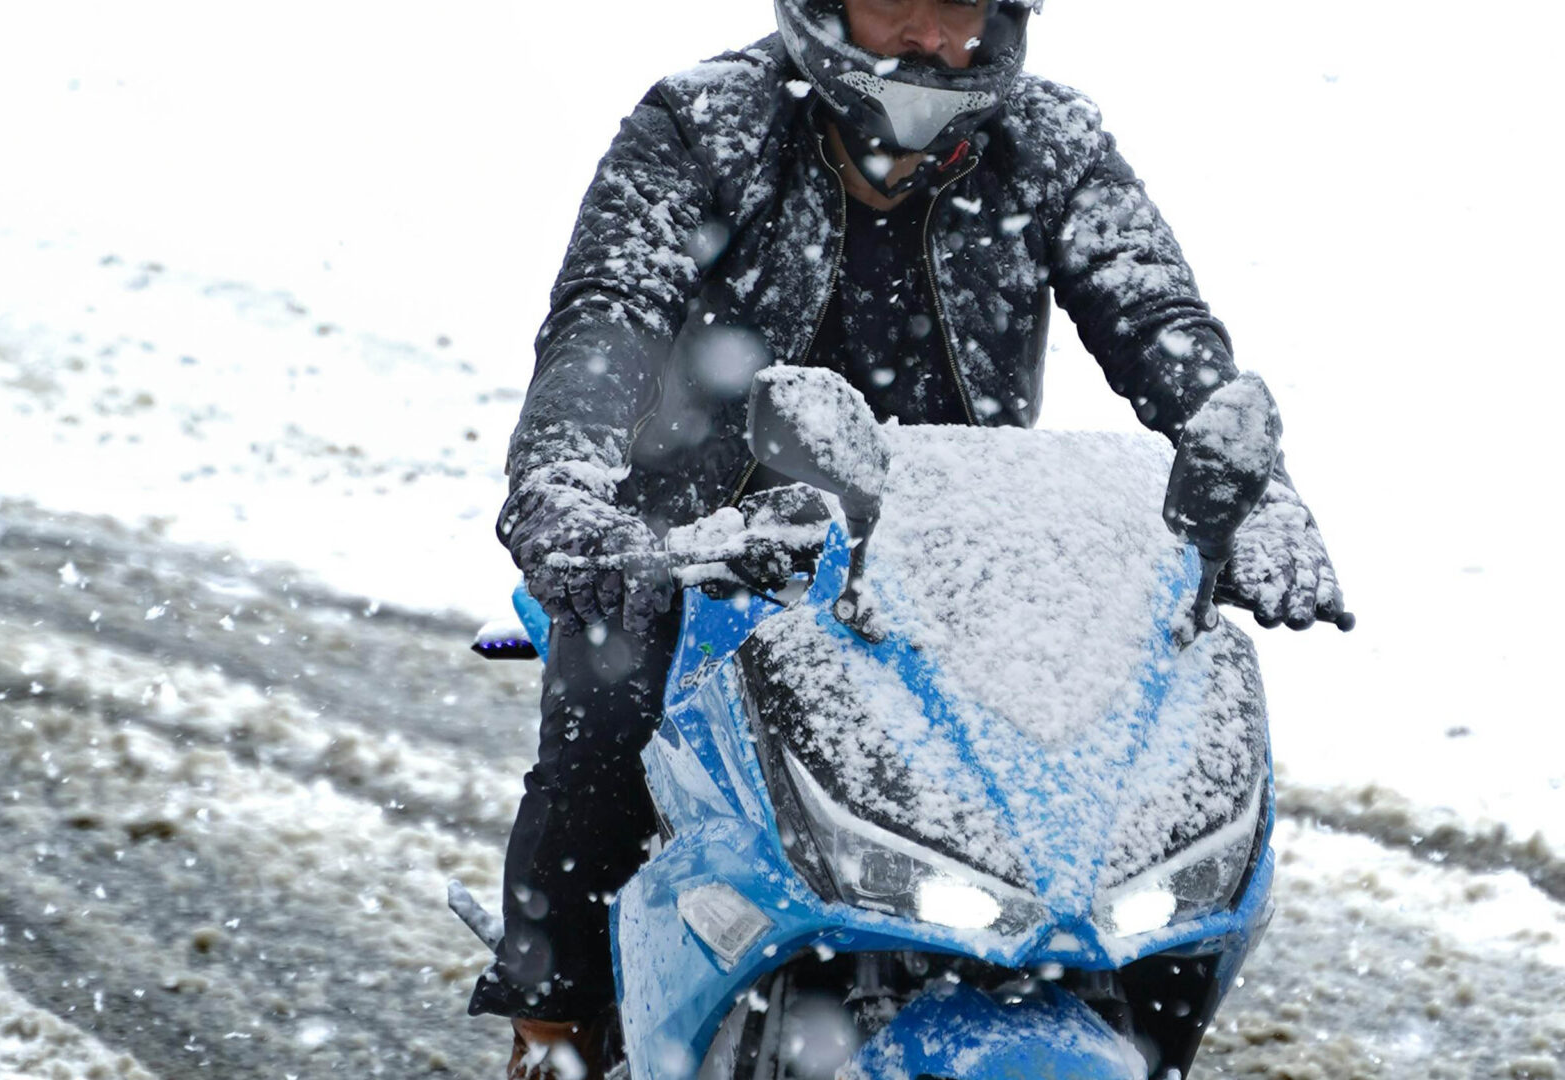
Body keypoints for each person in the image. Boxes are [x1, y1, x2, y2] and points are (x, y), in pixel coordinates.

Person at [475, 0, 1349, 1073]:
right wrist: (568, 482)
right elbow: (607, 312)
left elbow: (1161, 322)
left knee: (1072, 800)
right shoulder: (705, 124)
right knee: (608, 711)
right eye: (904, 8)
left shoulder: (1051, 145)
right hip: (696, 547)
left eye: (965, 14)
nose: (934, 43)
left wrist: (1261, 495)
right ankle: (550, 1030)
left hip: (940, 566)